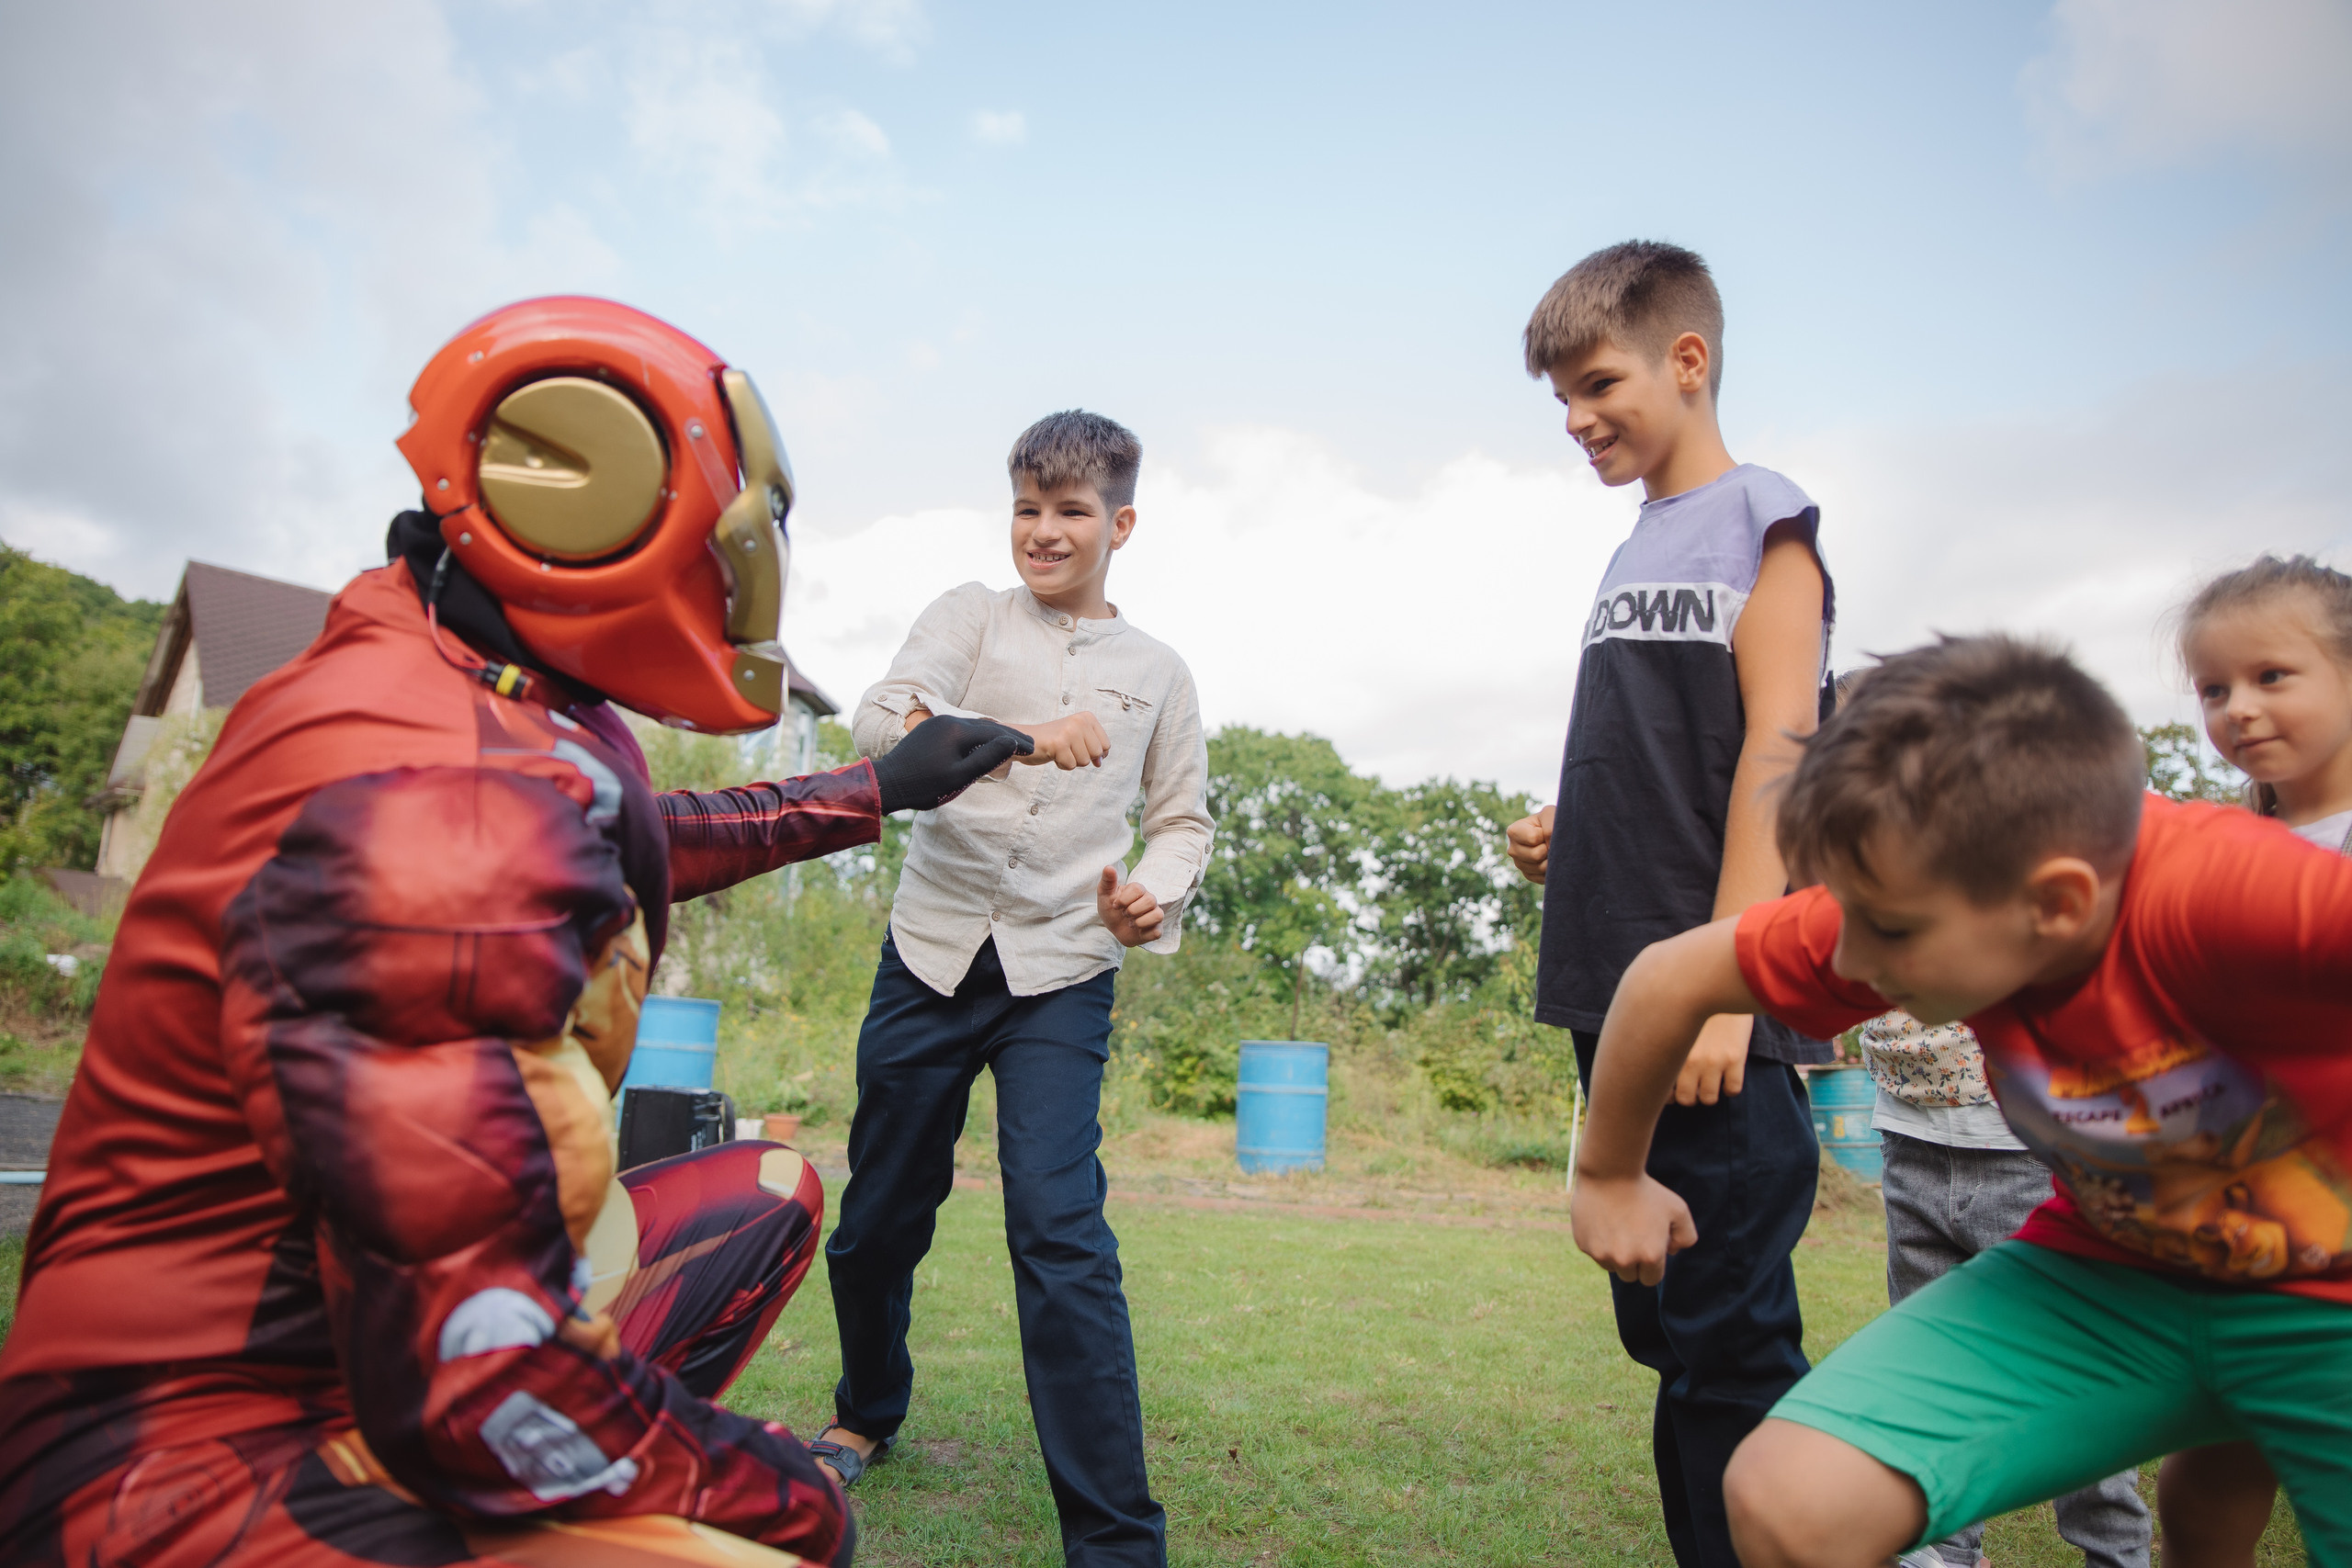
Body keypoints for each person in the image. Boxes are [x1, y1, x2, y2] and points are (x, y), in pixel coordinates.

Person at [0, 297, 1029, 1567]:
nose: (736, 573)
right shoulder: (427, 791)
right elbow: (470, 1382)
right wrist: (782, 1493)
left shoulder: (453, 671)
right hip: (191, 1460)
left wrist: (871, 788)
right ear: (596, 502)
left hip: (351, 1351)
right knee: (777, 1540)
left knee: (764, 1195)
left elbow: (630, 835)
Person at [1568, 633, 2352, 1567]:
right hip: (2113, 1278)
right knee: (1789, 1498)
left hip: (2331, 1294)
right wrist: (1609, 1172)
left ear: (2057, 902)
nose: (1847, 961)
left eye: (1887, 931)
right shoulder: (1921, 876)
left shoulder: (2250, 898)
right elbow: (1670, 975)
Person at [811, 410, 1212, 1568]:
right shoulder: (969, 618)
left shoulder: (1159, 674)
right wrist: (1024, 736)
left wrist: (1150, 896)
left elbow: (1181, 822)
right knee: (876, 1223)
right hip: (929, 954)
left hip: (1062, 972)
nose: (1044, 530)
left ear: (1119, 525)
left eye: (1071, 510)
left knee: (1060, 1232)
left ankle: (1117, 1540)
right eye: (1028, 508)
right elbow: (882, 719)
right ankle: (866, 1408)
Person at [1503, 240, 1833, 1568]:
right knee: (1669, 1331)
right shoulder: (1639, 542)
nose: (1577, 420)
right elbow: (1665, 755)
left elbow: (1778, 753)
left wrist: (1733, 981)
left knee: (1730, 1344)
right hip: (1621, 991)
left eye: (1598, 386)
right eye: (1562, 400)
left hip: (1711, 1006)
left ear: (1686, 360)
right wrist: (1568, 830)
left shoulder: (1766, 521)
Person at [2154, 554, 2352, 1565]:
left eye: (2272, 676)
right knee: (2205, 1487)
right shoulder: (2213, 845)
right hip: (2246, 1218)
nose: (2238, 708)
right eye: (2213, 689)